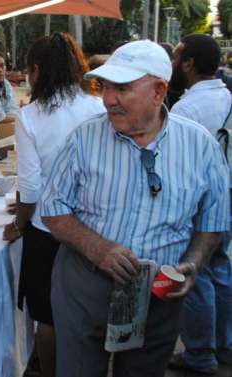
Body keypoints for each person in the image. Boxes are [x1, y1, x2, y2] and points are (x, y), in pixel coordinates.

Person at [40, 40, 229, 377]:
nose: (108, 98)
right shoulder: (83, 139)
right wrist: (97, 248)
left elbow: (212, 222)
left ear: (158, 91)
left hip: (159, 296)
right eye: (106, 86)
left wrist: (192, 264)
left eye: (122, 88)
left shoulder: (200, 146)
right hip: (85, 288)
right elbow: (53, 208)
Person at [1, 33, 105, 377]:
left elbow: (29, 186)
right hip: (93, 227)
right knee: (89, 312)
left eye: (30, 70)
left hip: (47, 229)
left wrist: (19, 225)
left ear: (37, 70)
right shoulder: (98, 107)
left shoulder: (30, 116)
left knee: (46, 317)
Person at [168, 34, 232, 375]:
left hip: (203, 202)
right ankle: (225, 345)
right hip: (229, 194)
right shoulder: (227, 96)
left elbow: (179, 164)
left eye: (177, 57)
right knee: (221, 270)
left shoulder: (187, 108)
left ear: (189, 64)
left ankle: (199, 356)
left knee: (197, 274)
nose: (174, 64)